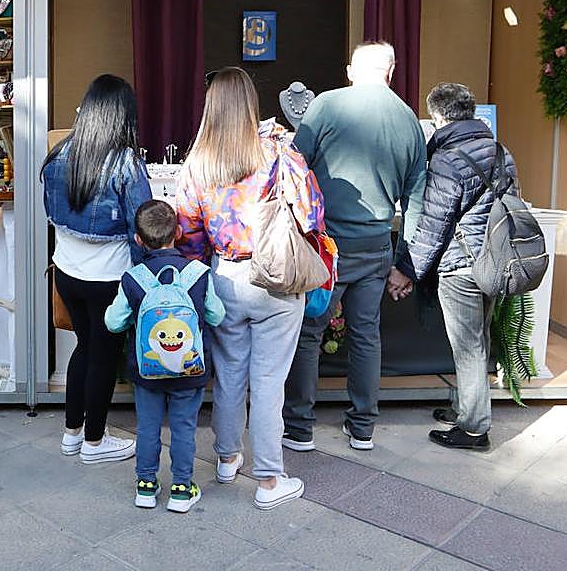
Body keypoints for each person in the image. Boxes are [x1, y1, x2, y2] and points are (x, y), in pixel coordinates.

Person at [177, 67, 324, 510]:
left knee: (229, 376)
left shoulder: (198, 161)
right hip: (276, 279)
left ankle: (226, 459)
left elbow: (187, 233)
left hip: (225, 278)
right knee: (267, 381)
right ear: (250, 103)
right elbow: (313, 213)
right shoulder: (278, 152)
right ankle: (268, 479)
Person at [283, 42, 427, 452]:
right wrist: (405, 264)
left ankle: (299, 427)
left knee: (309, 332)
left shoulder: (328, 105)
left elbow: (293, 166)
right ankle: (362, 426)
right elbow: (417, 201)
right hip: (378, 243)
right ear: (392, 71)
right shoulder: (409, 120)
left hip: (327, 246)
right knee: (367, 336)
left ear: (350, 70)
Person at [43, 74, 151, 464]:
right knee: (104, 356)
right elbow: (144, 225)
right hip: (108, 279)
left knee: (83, 349)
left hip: (67, 272)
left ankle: (72, 432)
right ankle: (94, 441)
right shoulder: (126, 163)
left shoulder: (59, 154)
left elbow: (51, 213)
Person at [408, 83, 519, 451]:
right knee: (479, 340)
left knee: (469, 346)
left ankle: (473, 428)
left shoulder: (446, 158)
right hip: (495, 262)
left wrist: (409, 271)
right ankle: (464, 407)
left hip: (461, 267)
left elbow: (434, 223)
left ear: (437, 117)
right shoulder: (501, 151)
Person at [105, 200, 225, 513]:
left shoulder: (134, 278)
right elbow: (217, 315)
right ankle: (182, 489)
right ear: (179, 232)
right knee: (184, 427)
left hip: (147, 370)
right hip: (190, 369)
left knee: (148, 426)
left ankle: (146, 486)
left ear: (138, 239)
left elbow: (113, 322)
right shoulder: (199, 273)